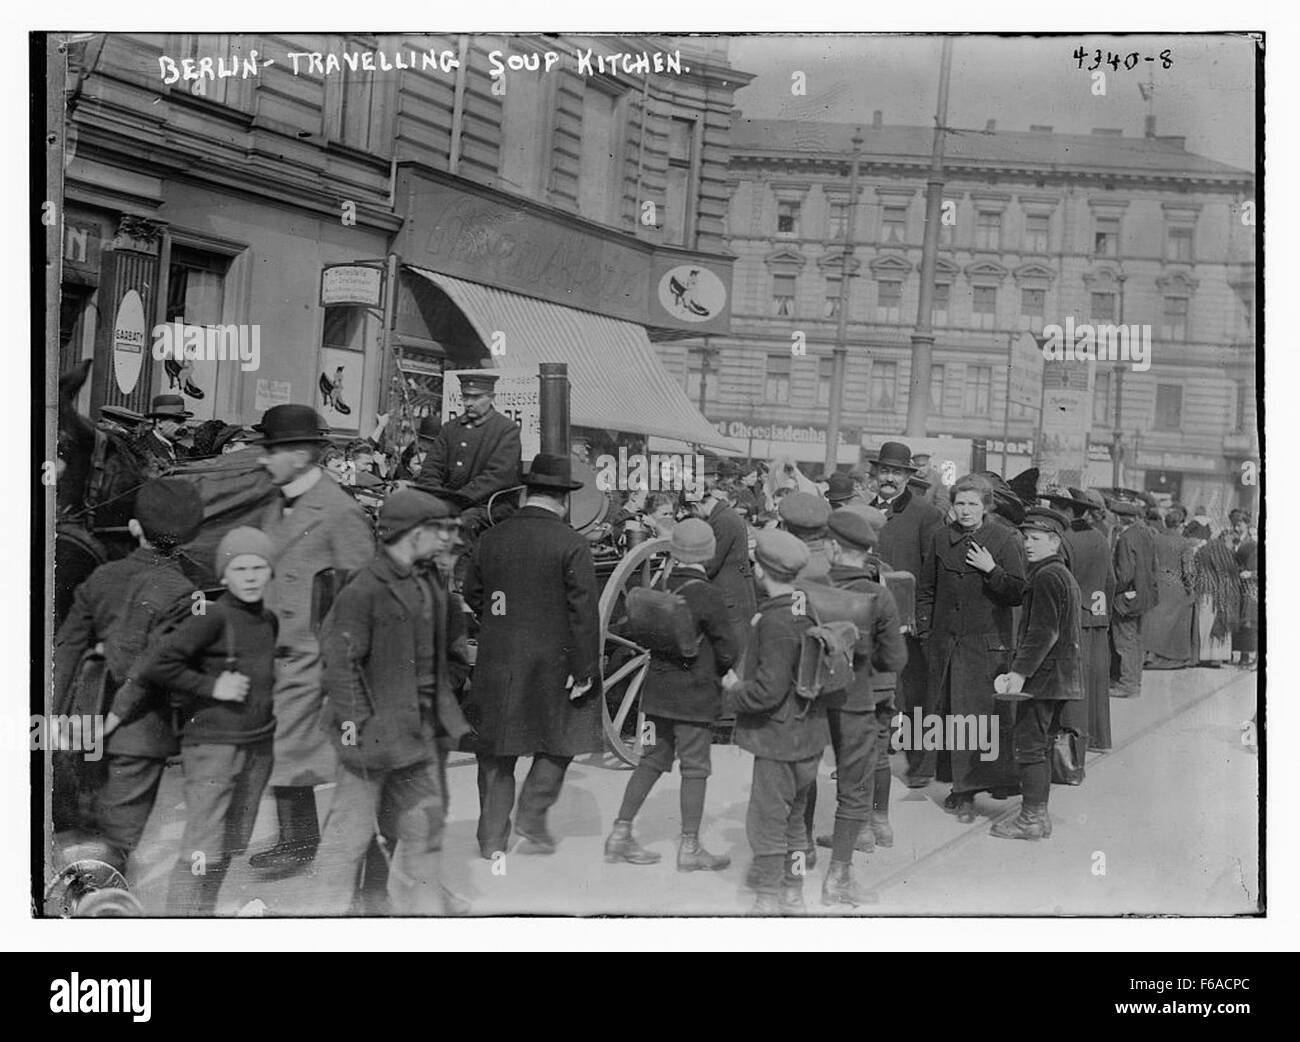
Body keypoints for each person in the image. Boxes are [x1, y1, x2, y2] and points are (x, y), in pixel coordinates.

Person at [315, 490, 474, 915]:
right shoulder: (365, 588)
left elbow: (452, 658)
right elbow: (339, 662)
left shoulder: (433, 590)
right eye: (438, 535)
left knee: (420, 826)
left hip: (419, 729)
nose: (446, 549)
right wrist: (360, 726)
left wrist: (438, 700)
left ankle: (407, 905)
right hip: (376, 733)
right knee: (351, 834)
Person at [51, 479, 205, 874]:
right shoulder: (187, 592)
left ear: (136, 527)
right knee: (117, 842)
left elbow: (65, 649)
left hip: (81, 718)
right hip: (141, 732)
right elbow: (161, 668)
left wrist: (51, 716)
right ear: (191, 534)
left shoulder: (102, 577)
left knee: (76, 824)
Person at [249, 404, 375, 871]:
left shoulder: (339, 510)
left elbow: (362, 589)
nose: (264, 461)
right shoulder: (278, 502)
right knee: (283, 745)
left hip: (311, 653)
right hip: (276, 647)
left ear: (300, 455)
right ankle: (298, 840)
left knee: (293, 747)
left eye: (272, 451)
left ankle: (303, 846)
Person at [464, 453, 603, 858]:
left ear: (526, 493)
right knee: (564, 735)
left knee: (495, 751)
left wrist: (503, 617)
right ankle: (533, 809)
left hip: (497, 658)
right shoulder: (572, 543)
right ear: (563, 499)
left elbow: (475, 592)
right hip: (553, 661)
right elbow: (583, 614)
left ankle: (492, 842)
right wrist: (584, 670)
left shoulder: (492, 537)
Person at [139, 527, 279, 914]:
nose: (250, 576)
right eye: (240, 568)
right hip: (214, 748)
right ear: (223, 576)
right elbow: (158, 664)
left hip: (257, 747)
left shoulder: (268, 620)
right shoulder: (212, 618)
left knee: (230, 843)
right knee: (202, 845)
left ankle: (203, 917)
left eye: (259, 567)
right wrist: (213, 686)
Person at [603, 518, 738, 870]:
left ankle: (620, 833)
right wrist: (725, 673)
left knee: (652, 760)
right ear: (708, 554)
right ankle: (690, 848)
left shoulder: (661, 585)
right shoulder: (707, 594)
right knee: (695, 768)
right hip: (694, 696)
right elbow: (728, 649)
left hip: (659, 692)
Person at [721, 530, 828, 915]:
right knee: (796, 820)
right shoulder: (805, 610)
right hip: (808, 737)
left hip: (778, 738)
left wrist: (735, 689)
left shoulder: (774, 621)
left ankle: (767, 898)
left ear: (761, 569)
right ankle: (793, 892)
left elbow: (767, 692)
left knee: (766, 823)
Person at [808, 509, 907, 906]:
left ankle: (800, 854)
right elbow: (895, 660)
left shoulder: (808, 586)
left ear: (832, 546)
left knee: (804, 778)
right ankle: (838, 878)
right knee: (853, 788)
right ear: (865, 552)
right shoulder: (878, 594)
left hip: (811, 701)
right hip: (856, 700)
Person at [917, 473, 1026, 822]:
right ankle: (959, 785)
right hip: (946, 643)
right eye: (960, 503)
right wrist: (925, 629)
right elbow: (927, 590)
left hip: (986, 646)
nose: (965, 510)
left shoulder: (1003, 539)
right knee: (951, 715)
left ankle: (967, 793)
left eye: (972, 504)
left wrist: (991, 569)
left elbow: (1017, 591)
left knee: (977, 719)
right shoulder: (941, 538)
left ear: (986, 506)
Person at [991, 507, 1085, 841]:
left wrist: (1018, 673)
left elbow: (1044, 632)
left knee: (1029, 745)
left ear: (1054, 541)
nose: (1027, 544)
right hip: (1059, 675)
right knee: (1040, 745)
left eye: (1035, 539)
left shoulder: (1046, 576)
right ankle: (1037, 817)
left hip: (1043, 677)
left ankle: (1030, 819)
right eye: (1025, 538)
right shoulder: (1059, 573)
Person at [867, 442, 944, 788]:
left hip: (908, 619)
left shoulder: (924, 514)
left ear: (907, 477)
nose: (889, 478)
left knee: (913, 689)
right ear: (875, 474)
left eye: (896, 473)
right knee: (871, 688)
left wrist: (924, 617)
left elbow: (932, 569)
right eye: (884, 471)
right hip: (868, 617)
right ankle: (867, 758)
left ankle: (919, 763)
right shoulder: (862, 511)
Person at [416, 372, 522, 538]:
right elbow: (431, 468)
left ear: (491, 397)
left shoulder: (506, 429)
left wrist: (456, 501)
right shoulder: (450, 428)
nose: (469, 403)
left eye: (476, 398)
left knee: (463, 525)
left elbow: (498, 476)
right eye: (465, 397)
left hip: (488, 504)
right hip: (448, 502)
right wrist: (437, 497)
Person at [685, 482, 758, 657]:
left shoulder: (723, 520)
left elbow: (710, 564)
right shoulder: (726, 516)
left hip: (730, 597)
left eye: (692, 512)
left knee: (735, 653)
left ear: (696, 505)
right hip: (734, 593)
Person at [1109, 500, 1159, 698]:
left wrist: (1113, 589)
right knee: (1137, 641)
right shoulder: (1146, 533)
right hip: (1144, 596)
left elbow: (1125, 573)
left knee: (1124, 641)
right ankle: (1135, 682)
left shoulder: (1126, 538)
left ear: (1120, 517)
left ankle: (1127, 684)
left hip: (1127, 598)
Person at [1142, 513, 1197, 671]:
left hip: (1158, 583)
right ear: (1179, 525)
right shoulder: (1184, 543)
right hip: (1176, 586)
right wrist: (1190, 587)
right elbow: (1188, 570)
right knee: (1176, 623)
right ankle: (1171, 658)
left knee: (1155, 621)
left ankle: (1149, 656)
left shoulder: (1155, 538)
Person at [1186, 522, 1242, 667]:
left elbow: (1195, 570)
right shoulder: (1226, 553)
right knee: (1218, 622)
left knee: (1204, 623)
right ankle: (1217, 656)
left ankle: (1202, 655)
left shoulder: (1203, 550)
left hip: (1205, 591)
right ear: (1225, 539)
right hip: (1222, 593)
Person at [1229, 509, 1258, 669]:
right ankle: (1237, 653)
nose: (1236, 527)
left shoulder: (1251, 543)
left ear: (1246, 525)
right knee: (1237, 619)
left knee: (1247, 620)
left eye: (1239, 524)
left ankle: (1245, 654)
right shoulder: (1234, 540)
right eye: (1235, 524)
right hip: (1236, 583)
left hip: (1246, 584)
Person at [133, 394, 192, 467]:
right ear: (160, 422)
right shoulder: (140, 448)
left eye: (184, 422)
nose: (185, 427)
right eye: (178, 422)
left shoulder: (184, 451)